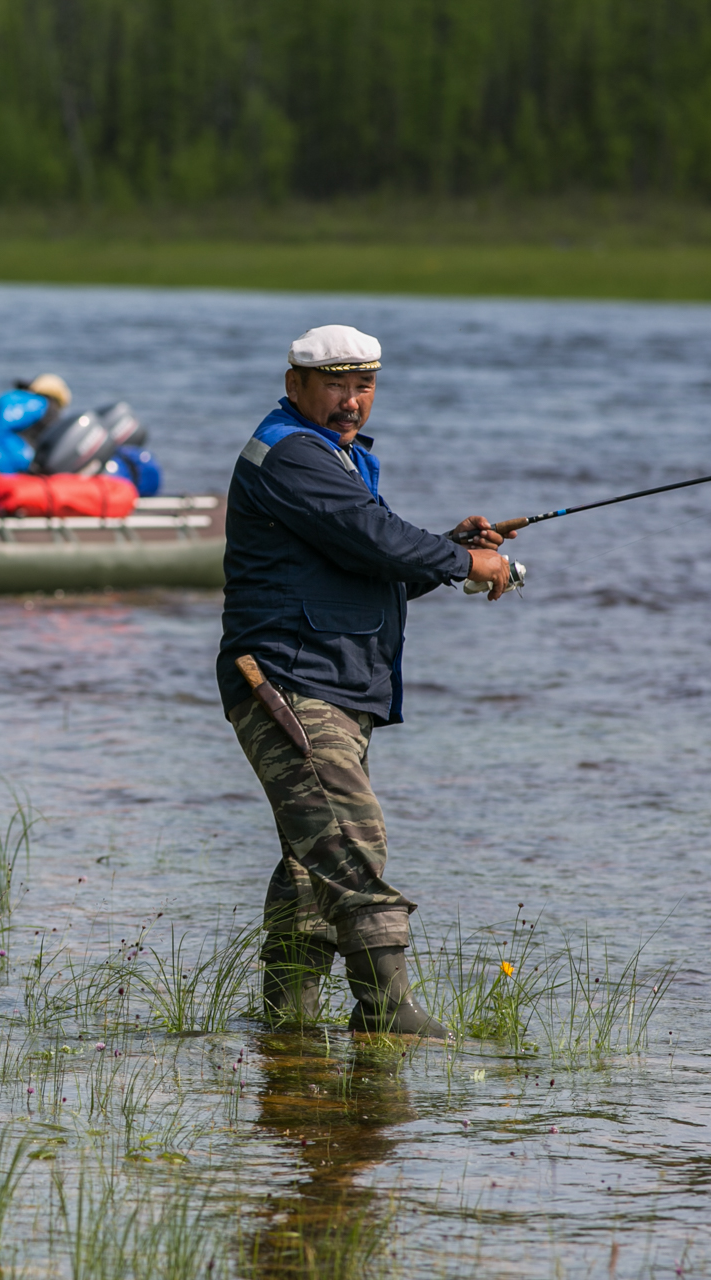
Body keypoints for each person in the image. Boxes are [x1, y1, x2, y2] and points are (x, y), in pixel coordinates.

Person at [217, 324, 518, 1039]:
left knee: (310, 860)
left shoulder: (335, 458)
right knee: (352, 841)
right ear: (296, 387)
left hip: (332, 684)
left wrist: (446, 549)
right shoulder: (292, 455)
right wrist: (465, 563)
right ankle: (388, 1012)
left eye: (364, 386)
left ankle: (287, 1022)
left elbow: (367, 565)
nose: (352, 401)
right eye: (336, 386)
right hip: (287, 681)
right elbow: (373, 537)